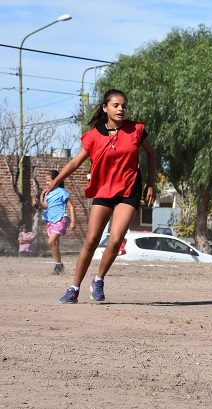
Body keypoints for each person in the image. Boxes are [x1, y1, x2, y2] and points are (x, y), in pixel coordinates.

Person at [41, 89, 155, 304]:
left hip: (129, 190)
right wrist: (54, 183)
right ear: (105, 108)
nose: (121, 109)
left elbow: (151, 153)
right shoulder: (93, 136)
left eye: (123, 105)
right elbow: (75, 163)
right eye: (116, 105)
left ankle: (99, 279)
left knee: (115, 240)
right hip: (104, 191)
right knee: (92, 240)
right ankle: (74, 288)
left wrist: (151, 183)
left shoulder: (136, 129)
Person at [40, 169, 76, 275]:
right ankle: (58, 265)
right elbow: (46, 205)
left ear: (57, 180)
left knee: (51, 241)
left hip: (61, 219)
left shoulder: (62, 192)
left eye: (49, 180)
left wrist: (73, 222)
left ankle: (59, 265)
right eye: (46, 181)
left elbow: (71, 206)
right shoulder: (48, 193)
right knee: (54, 243)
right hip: (51, 221)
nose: (47, 183)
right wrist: (39, 202)